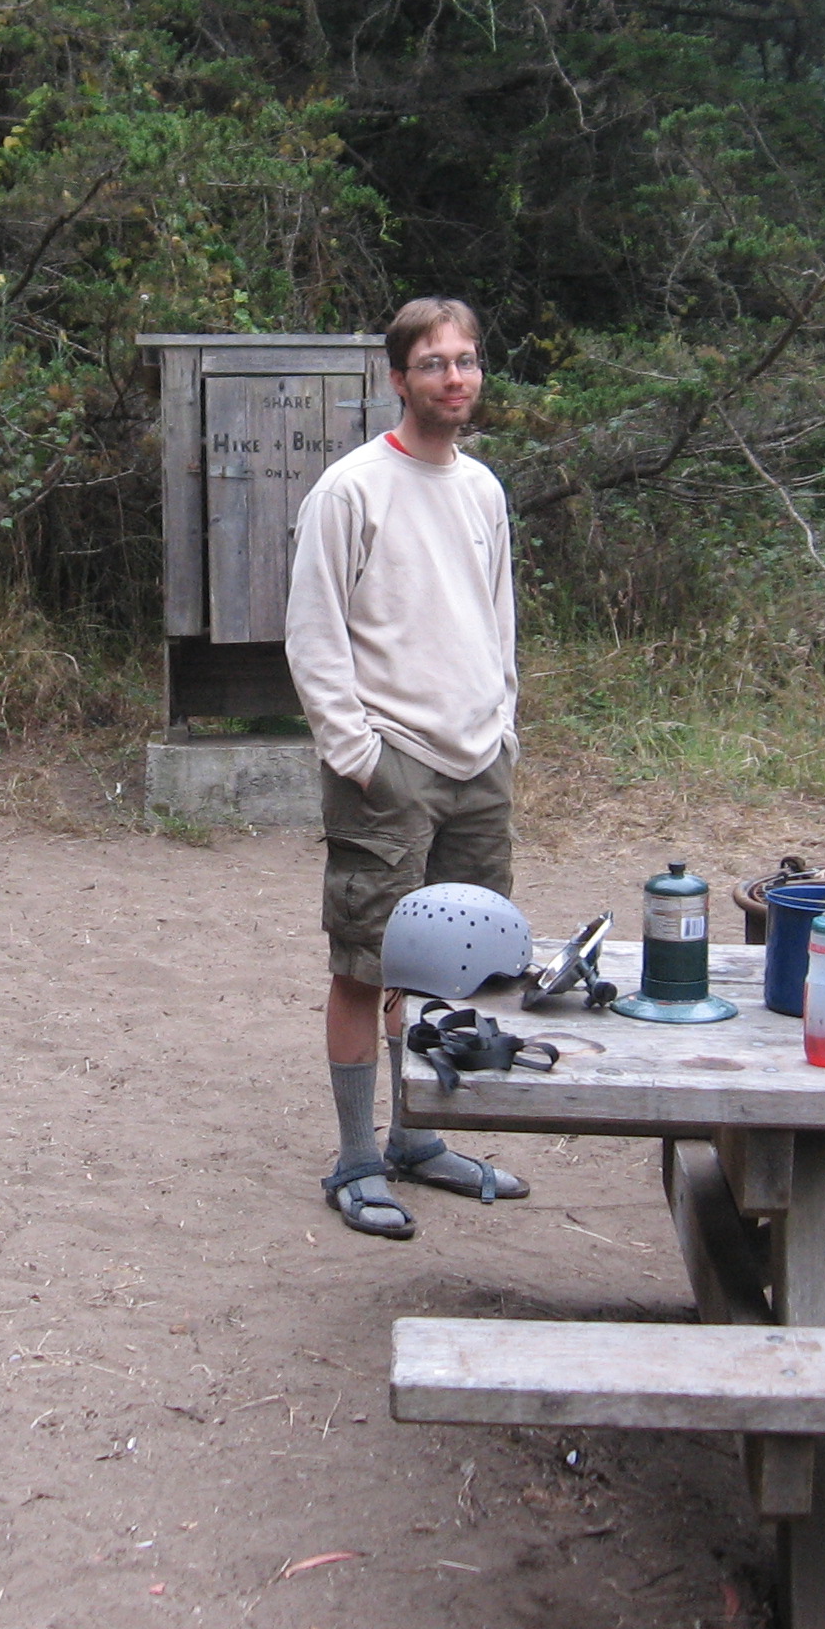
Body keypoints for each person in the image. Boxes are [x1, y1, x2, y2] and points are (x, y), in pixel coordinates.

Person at [284, 295, 526, 1239]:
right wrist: (359, 756)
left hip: (478, 764)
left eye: (465, 361)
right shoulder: (351, 490)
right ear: (398, 378)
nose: (453, 378)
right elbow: (313, 635)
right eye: (433, 363)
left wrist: (503, 727)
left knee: (450, 968)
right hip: (390, 766)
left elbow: (497, 616)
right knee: (366, 965)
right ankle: (356, 1159)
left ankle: (417, 1138)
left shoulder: (483, 489)